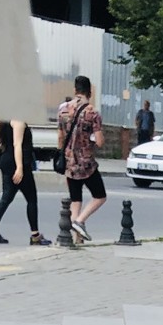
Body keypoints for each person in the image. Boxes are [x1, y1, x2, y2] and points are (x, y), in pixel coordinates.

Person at [58, 75, 106, 244]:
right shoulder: (92, 113)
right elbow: (99, 141)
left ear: (75, 90)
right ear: (90, 92)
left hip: (69, 162)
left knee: (75, 199)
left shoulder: (63, 110)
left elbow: (61, 137)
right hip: (87, 164)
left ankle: (75, 237)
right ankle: (79, 222)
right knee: (100, 196)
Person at [0, 120, 50, 245]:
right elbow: (17, 145)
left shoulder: (7, 121)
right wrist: (20, 168)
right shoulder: (18, 122)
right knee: (31, 199)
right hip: (18, 164)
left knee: (7, 197)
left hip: (7, 161)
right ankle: (35, 235)